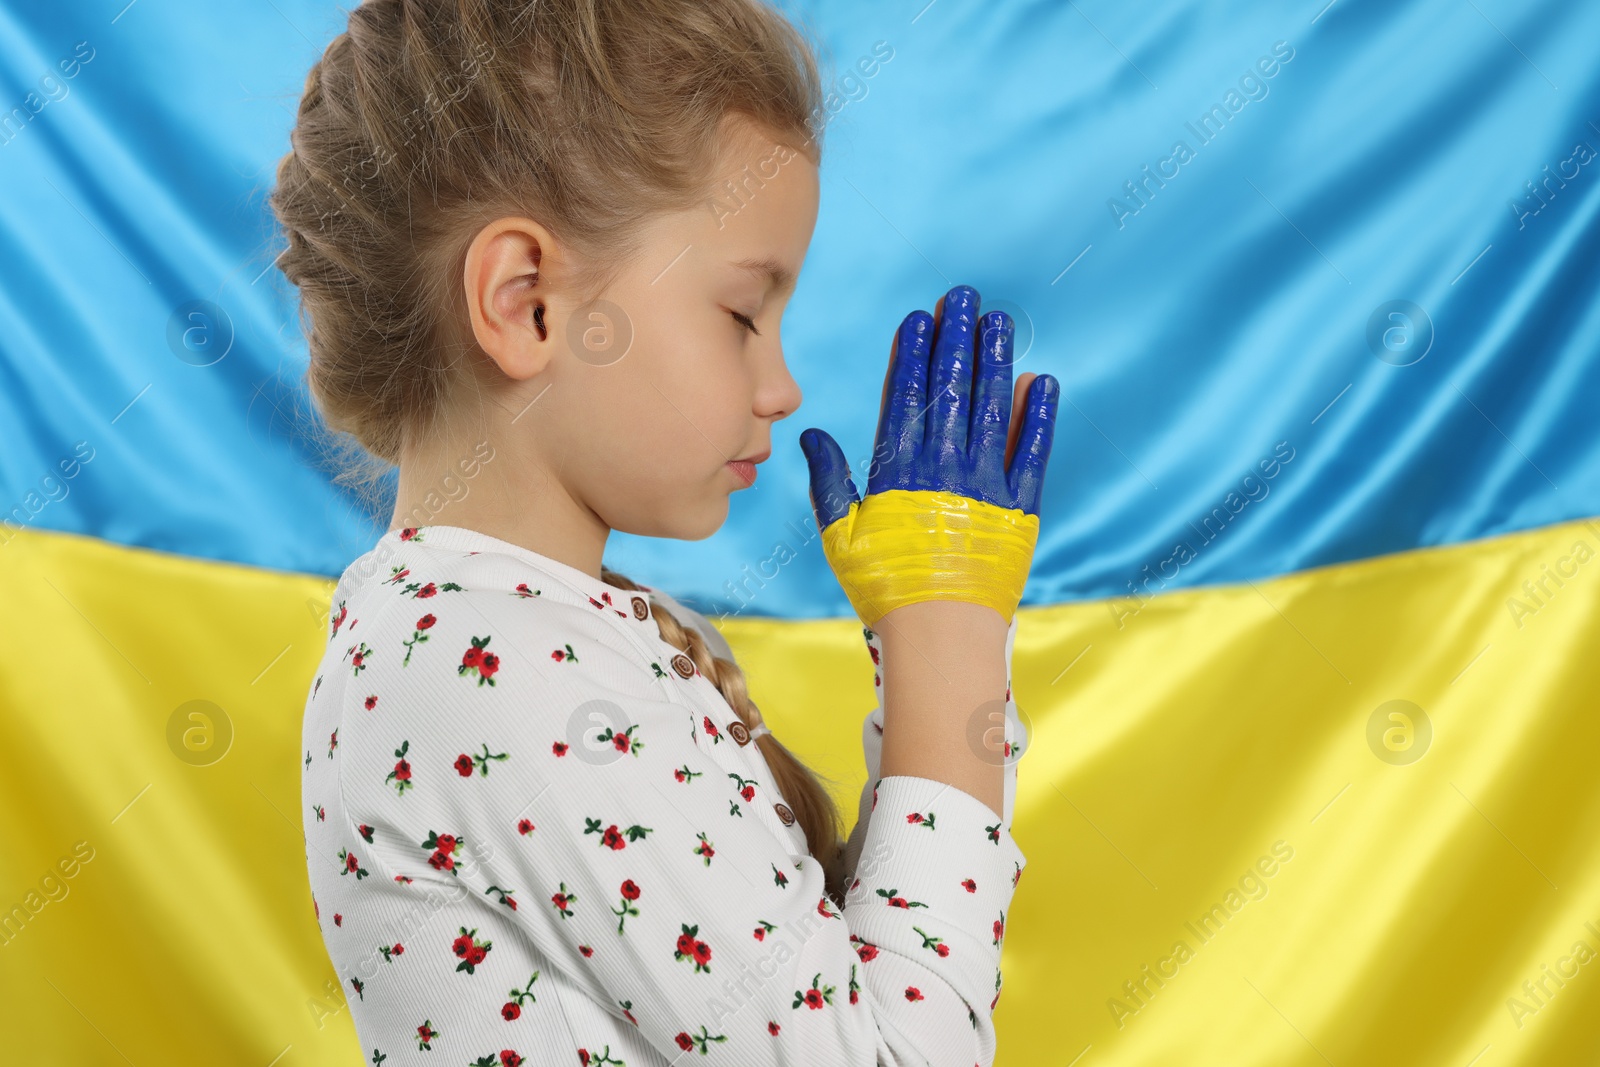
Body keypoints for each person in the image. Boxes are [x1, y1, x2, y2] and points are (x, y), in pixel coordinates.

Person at [273, 1, 1058, 1062]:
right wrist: (947, 643)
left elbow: (828, 988)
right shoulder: (493, 673)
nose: (780, 387)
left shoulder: (537, 639)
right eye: (741, 314)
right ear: (528, 303)